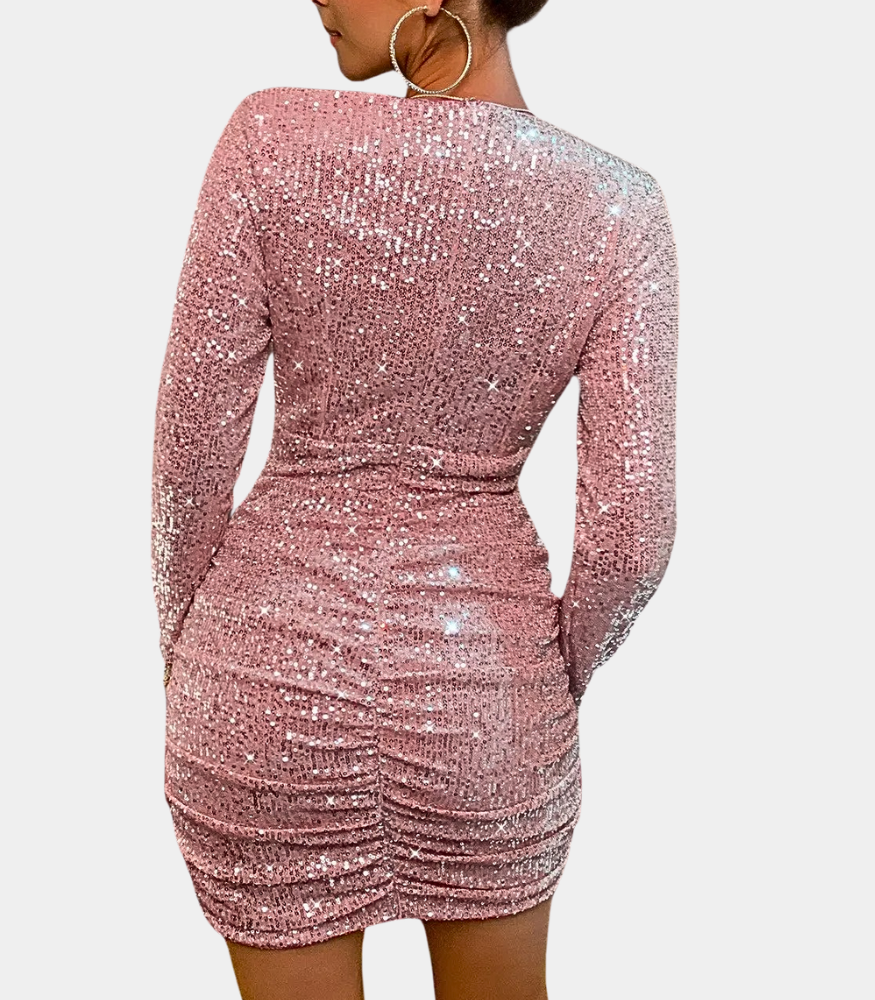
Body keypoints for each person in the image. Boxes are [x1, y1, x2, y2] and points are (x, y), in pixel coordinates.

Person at [150, 1, 678, 997]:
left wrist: (190, 652)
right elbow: (631, 538)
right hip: (492, 701)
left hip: (259, 680)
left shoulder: (269, 138)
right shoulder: (619, 208)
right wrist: (535, 679)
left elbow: (191, 455)